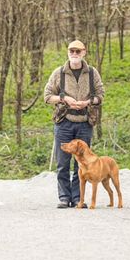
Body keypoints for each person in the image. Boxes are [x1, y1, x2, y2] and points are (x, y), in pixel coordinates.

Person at [42, 40, 106, 209]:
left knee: (83, 163)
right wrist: (64, 99)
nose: (75, 53)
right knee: (62, 163)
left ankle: (78, 198)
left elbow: (101, 95)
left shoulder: (93, 73)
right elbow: (47, 96)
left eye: (78, 51)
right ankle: (64, 197)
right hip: (64, 123)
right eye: (72, 50)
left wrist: (88, 102)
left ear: (84, 52)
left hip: (85, 123)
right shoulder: (58, 73)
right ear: (68, 52)